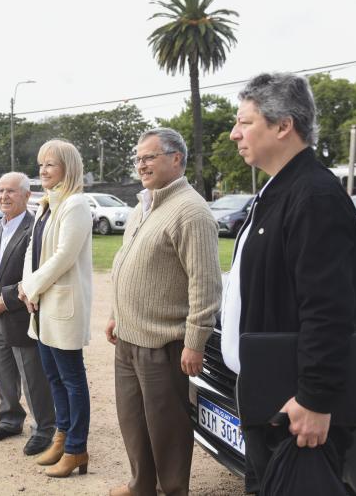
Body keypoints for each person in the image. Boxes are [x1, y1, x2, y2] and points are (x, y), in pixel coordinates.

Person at [221, 73, 356, 494]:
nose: (234, 134)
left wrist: (315, 399)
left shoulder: (314, 197)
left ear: (284, 126)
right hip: (269, 397)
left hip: (295, 409)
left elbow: (327, 309)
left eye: (245, 122)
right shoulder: (278, 191)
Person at [105, 128, 222, 496]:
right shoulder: (145, 204)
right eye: (138, 158)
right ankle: (141, 486)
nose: (141, 164)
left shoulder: (191, 211)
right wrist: (116, 315)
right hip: (128, 339)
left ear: (176, 159)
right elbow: (126, 264)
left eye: (149, 157)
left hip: (163, 345)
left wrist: (195, 341)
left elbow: (205, 283)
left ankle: (172, 490)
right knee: (133, 422)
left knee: (167, 429)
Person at [17, 139, 93, 478]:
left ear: (68, 168)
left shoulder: (75, 204)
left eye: (50, 164)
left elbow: (64, 256)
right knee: (53, 378)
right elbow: (32, 252)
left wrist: (33, 286)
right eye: (41, 164)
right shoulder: (46, 205)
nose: (43, 170)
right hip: (41, 307)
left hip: (62, 305)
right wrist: (24, 288)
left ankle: (77, 448)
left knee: (72, 379)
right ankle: (61, 438)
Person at [0, 172, 55, 456]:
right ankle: (10, 420)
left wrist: (5, 300)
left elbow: (36, 275)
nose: (3, 197)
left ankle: (44, 428)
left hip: (20, 315)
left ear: (26, 195)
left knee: (32, 376)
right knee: (4, 375)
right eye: (0, 191)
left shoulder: (35, 229)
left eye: (10, 191)